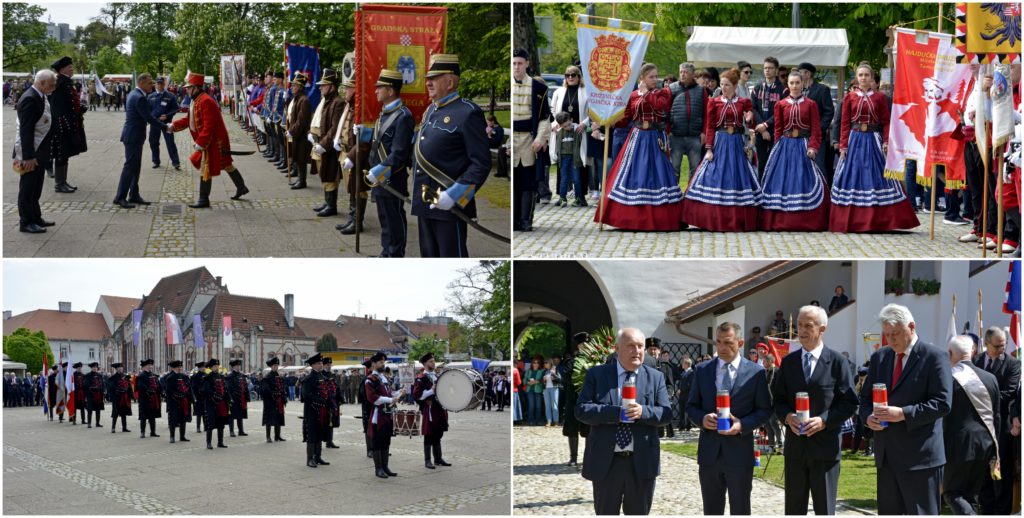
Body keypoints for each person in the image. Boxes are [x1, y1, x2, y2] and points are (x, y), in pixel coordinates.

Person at [858, 304, 952, 514]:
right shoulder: (880, 357)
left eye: (896, 334)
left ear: (912, 327)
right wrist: (868, 418)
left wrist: (902, 414)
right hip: (887, 456)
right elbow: (864, 400)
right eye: (887, 334)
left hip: (921, 458)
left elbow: (943, 403)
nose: (891, 340)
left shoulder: (934, 356)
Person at [771, 306, 859, 515]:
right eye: (800, 325)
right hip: (796, 450)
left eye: (808, 326)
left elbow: (849, 403)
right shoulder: (789, 363)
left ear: (822, 329)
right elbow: (778, 400)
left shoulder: (838, 362)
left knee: (824, 509)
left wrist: (824, 420)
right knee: (793, 509)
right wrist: (787, 417)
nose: (802, 330)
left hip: (825, 450)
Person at [576, 328, 672, 515]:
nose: (637, 351)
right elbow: (581, 410)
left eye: (640, 346)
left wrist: (643, 411)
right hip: (607, 462)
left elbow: (666, 413)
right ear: (617, 348)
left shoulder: (655, 377)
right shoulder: (597, 375)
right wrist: (616, 414)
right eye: (631, 346)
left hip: (642, 462)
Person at [686, 322, 772, 515]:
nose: (722, 348)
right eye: (718, 342)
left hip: (740, 454)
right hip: (710, 454)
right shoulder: (702, 370)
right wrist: (702, 419)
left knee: (740, 509)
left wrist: (742, 425)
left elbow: (765, 410)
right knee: (712, 510)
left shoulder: (755, 372)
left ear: (740, 342)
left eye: (728, 342)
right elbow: (691, 406)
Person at [412, 54, 492, 256]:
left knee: (451, 257)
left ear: (450, 81)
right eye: (428, 78)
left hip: (449, 205)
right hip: (425, 199)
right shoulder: (431, 110)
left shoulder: (468, 112)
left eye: (434, 78)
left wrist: (454, 195)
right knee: (429, 258)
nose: (428, 82)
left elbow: (480, 163)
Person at [595, 63, 685, 231]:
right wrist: (610, 121)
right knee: (631, 174)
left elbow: (660, 107)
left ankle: (662, 217)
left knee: (657, 173)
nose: (655, 79)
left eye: (656, 76)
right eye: (651, 76)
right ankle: (627, 217)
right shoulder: (633, 95)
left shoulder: (663, 93)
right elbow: (626, 118)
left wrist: (645, 93)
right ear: (642, 78)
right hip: (637, 137)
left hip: (655, 137)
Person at [831, 63, 919, 232]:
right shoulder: (849, 97)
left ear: (872, 78)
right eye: (861, 75)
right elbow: (844, 123)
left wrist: (886, 141)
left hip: (873, 140)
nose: (863, 78)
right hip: (855, 140)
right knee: (853, 177)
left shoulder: (879, 98)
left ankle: (879, 220)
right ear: (857, 77)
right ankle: (853, 220)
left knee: (877, 177)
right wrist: (843, 145)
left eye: (866, 75)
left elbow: (886, 122)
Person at [683, 68, 761, 232]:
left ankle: (736, 218)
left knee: (736, 176)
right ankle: (712, 217)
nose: (723, 88)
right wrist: (709, 148)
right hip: (720, 142)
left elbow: (750, 123)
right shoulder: (714, 102)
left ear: (734, 86)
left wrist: (748, 119)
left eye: (727, 85)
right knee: (715, 175)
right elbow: (710, 126)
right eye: (722, 84)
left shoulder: (743, 102)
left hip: (736, 143)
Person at [759, 70, 829, 231]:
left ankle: (805, 220)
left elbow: (816, 130)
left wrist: (813, 147)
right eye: (792, 83)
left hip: (803, 145)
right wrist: (776, 148)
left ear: (803, 84)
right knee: (781, 181)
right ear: (788, 85)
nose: (795, 86)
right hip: (785, 145)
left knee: (804, 179)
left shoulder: (811, 104)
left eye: (798, 83)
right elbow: (778, 129)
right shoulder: (780, 105)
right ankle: (780, 220)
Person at [171, 71, 249, 208]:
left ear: (196, 87)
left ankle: (203, 199)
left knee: (206, 167)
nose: (187, 90)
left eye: (189, 88)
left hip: (214, 140)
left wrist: (200, 143)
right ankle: (241, 187)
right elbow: (189, 120)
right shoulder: (196, 100)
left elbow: (209, 126)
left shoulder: (206, 101)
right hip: (209, 139)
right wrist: (172, 126)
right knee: (226, 164)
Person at [943, 334, 1001, 515]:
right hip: (985, 444)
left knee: (952, 493)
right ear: (973, 352)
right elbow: (996, 416)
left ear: (950, 353)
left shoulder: (948, 378)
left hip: (958, 445)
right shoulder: (990, 378)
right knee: (971, 496)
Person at [365, 69, 415, 257]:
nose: (376, 90)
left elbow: (400, 153)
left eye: (380, 87)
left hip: (392, 178)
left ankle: (395, 254)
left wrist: (380, 168)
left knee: (394, 219)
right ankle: (386, 252)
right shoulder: (385, 113)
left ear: (391, 91)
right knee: (384, 219)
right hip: (379, 177)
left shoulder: (403, 116)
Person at [974, 326, 1021, 514]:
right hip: (979, 427)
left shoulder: (1012, 364)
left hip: (1001, 428)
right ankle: (986, 510)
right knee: (983, 471)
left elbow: (1009, 393)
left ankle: (1001, 512)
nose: (1002, 349)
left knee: (1002, 472)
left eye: (1003, 345)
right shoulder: (976, 361)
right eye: (998, 346)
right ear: (986, 344)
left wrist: (979, 401)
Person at [114, 73, 169, 208]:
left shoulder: (134, 94)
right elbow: (148, 118)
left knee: (135, 166)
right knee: (130, 167)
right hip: (133, 136)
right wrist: (166, 127)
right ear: (142, 83)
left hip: (133, 136)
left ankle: (134, 195)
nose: (152, 85)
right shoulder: (139, 98)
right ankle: (120, 197)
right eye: (150, 83)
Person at [512, 48, 551, 232]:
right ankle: (513, 221)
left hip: (529, 138)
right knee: (515, 180)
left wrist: (540, 139)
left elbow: (545, 118)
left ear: (527, 63)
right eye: (514, 63)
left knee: (528, 181)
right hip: (512, 139)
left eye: (520, 63)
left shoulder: (539, 88)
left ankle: (526, 220)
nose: (517, 67)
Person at [14, 69, 56, 234]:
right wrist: (28, 157)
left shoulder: (40, 95)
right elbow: (26, 130)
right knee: (27, 188)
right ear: (42, 82)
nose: (53, 88)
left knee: (36, 187)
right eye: (51, 85)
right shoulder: (30, 98)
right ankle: (26, 222)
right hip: (29, 153)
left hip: (40, 151)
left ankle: (36, 217)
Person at [334, 78, 372, 235]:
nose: (345, 91)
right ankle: (351, 219)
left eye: (348, 88)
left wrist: (352, 156)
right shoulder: (350, 106)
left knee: (359, 189)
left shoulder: (362, 108)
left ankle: (357, 222)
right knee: (351, 188)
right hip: (347, 152)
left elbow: (365, 140)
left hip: (357, 156)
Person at [548, 64, 589, 202]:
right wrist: (555, 124)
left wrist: (584, 123)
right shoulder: (558, 92)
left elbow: (592, 111)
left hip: (578, 130)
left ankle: (580, 195)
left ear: (579, 77)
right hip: (562, 131)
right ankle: (562, 195)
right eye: (567, 75)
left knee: (579, 162)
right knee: (563, 163)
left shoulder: (586, 91)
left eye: (573, 75)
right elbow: (552, 111)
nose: (570, 77)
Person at [309, 68, 345, 218]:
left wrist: (324, 145)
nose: (320, 87)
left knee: (330, 175)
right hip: (321, 143)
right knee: (323, 172)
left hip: (329, 147)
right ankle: (327, 202)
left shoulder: (337, 103)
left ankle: (332, 205)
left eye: (324, 85)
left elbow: (334, 128)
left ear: (332, 86)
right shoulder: (327, 101)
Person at [48, 56, 86, 193]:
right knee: (61, 154)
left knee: (66, 154)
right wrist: (65, 124)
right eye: (70, 67)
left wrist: (79, 110)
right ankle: (59, 184)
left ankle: (63, 181)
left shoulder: (66, 82)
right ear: (63, 69)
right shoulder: (59, 82)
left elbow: (69, 104)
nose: (72, 69)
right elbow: (56, 107)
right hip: (61, 126)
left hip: (68, 123)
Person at [366, 351, 406, 478]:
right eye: (380, 362)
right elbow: (373, 398)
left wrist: (398, 393)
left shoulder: (383, 378)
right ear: (374, 364)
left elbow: (390, 393)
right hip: (378, 415)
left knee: (386, 441)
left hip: (388, 414)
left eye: (384, 362)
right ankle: (378, 469)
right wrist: (390, 400)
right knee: (378, 442)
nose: (383, 364)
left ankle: (385, 467)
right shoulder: (370, 380)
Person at [412, 352, 451, 469]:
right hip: (430, 409)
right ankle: (428, 460)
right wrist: (431, 391)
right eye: (431, 361)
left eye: (434, 361)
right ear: (425, 363)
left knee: (438, 434)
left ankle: (438, 459)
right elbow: (417, 395)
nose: (433, 363)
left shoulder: (437, 376)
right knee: (429, 435)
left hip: (440, 409)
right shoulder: (421, 378)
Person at [669, 63, 707, 182]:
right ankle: (674, 195)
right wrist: (668, 130)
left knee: (695, 169)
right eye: (681, 72)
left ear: (692, 74)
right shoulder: (671, 88)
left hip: (695, 136)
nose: (682, 74)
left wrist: (704, 132)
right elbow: (665, 111)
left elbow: (706, 114)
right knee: (674, 168)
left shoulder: (701, 91)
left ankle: (691, 196)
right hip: (676, 136)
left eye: (685, 72)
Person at [751, 57, 788, 178]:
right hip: (760, 131)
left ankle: (772, 190)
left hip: (776, 132)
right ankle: (761, 190)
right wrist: (762, 127)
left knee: (774, 162)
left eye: (770, 68)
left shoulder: (783, 89)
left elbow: (782, 112)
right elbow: (753, 108)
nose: (767, 70)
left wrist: (766, 125)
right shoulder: (757, 88)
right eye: (765, 68)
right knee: (761, 163)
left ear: (776, 70)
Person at [796, 63, 834, 180]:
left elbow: (829, 112)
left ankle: (823, 195)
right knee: (801, 166)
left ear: (807, 74)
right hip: (800, 136)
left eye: (800, 72)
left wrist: (818, 129)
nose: (798, 75)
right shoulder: (798, 90)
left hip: (817, 137)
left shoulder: (822, 90)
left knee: (819, 166)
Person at [550, 111, 587, 207]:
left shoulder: (577, 130)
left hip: (575, 158)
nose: (567, 128)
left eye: (569, 125)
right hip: (563, 159)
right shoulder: (559, 132)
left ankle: (578, 198)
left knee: (576, 179)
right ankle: (562, 198)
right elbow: (555, 144)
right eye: (565, 126)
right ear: (560, 125)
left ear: (572, 120)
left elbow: (585, 133)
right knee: (564, 179)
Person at [301, 353, 331, 467]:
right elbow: (306, 395)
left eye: (321, 363)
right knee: (312, 435)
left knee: (319, 433)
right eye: (318, 363)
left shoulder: (322, 377)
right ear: (312, 365)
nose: (321, 365)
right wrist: (320, 401)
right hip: (312, 411)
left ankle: (318, 457)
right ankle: (310, 459)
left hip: (322, 410)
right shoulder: (308, 379)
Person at [285, 72, 311, 189]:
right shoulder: (297, 99)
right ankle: (300, 179)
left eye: (294, 85)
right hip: (297, 134)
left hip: (302, 135)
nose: (292, 88)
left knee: (301, 158)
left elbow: (301, 121)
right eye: (292, 85)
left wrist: (292, 131)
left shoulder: (303, 100)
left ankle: (302, 181)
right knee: (297, 157)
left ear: (300, 87)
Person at [147, 77, 180, 170]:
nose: (159, 85)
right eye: (158, 83)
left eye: (161, 83)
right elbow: (147, 111)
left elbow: (176, 108)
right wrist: (152, 118)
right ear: (155, 84)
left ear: (164, 84)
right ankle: (156, 161)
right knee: (153, 143)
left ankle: (176, 162)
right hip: (155, 124)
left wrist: (167, 115)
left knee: (170, 142)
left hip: (167, 124)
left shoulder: (170, 96)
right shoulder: (150, 97)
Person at [202, 359, 230, 449]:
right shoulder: (208, 377)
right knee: (210, 423)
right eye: (214, 366)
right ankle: (208, 443)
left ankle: (220, 442)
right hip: (211, 403)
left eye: (217, 366)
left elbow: (225, 389)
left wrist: (229, 398)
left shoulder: (221, 377)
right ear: (211, 367)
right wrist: (214, 396)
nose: (216, 368)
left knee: (221, 423)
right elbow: (206, 390)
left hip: (221, 403)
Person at [164, 360, 194, 444]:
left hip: (184, 401)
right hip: (174, 402)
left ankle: (182, 436)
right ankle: (172, 436)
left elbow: (189, 388)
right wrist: (176, 396)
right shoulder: (170, 377)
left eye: (180, 367)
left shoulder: (185, 377)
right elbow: (169, 391)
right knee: (173, 419)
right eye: (178, 367)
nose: (180, 368)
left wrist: (192, 399)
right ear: (173, 368)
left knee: (183, 419)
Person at [261, 357, 287, 443]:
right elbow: (265, 390)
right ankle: (268, 437)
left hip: (279, 401)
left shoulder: (278, 376)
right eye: (275, 365)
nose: (276, 367)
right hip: (270, 402)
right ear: (271, 366)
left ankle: (277, 436)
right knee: (269, 419)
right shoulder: (267, 377)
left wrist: (284, 396)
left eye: (277, 365)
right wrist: (273, 394)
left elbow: (282, 387)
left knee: (279, 417)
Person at [135, 359, 162, 438]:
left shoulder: (154, 375)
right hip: (144, 399)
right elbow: (140, 386)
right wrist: (148, 389)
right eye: (148, 365)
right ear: (144, 367)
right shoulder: (141, 376)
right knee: (143, 416)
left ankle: (153, 432)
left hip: (154, 398)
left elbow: (158, 384)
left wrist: (160, 390)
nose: (150, 367)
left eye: (151, 365)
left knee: (152, 415)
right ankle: (142, 432)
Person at [225, 359, 249, 437]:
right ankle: (231, 431)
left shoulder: (241, 375)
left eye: (239, 365)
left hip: (241, 398)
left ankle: (241, 431)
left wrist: (247, 396)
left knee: (240, 415)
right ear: (233, 366)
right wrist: (230, 398)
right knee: (231, 416)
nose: (238, 367)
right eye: (237, 365)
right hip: (234, 398)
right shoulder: (230, 376)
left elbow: (245, 386)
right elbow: (228, 389)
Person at [321, 356, 342, 449]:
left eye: (330, 364)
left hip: (333, 401)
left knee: (332, 422)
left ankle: (330, 441)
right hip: (326, 402)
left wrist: (340, 398)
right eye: (327, 365)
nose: (329, 366)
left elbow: (337, 387)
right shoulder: (321, 375)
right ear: (323, 365)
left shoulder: (332, 375)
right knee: (325, 422)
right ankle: (325, 440)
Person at [106, 363, 133, 432]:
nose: (120, 369)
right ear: (116, 369)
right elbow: (110, 387)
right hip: (117, 398)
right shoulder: (113, 377)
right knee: (115, 412)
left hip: (124, 397)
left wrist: (131, 395)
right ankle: (113, 428)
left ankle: (124, 428)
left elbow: (129, 386)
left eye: (121, 367)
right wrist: (117, 390)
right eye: (119, 368)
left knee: (124, 412)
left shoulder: (126, 376)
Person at [83, 362, 104, 428]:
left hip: (98, 395)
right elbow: (86, 385)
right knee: (90, 409)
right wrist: (91, 389)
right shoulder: (88, 375)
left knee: (98, 409)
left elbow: (102, 384)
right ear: (91, 368)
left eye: (96, 367)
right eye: (93, 367)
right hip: (91, 395)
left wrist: (102, 390)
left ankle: (97, 423)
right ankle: (89, 423)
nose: (95, 368)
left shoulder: (99, 375)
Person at [541, 358, 562, 427]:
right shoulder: (544, 371)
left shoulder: (555, 370)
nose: (545, 364)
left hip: (554, 388)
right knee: (547, 406)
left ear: (550, 363)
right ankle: (549, 421)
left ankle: (556, 421)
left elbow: (560, 379)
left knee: (554, 405)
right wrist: (543, 380)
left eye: (546, 363)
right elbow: (541, 381)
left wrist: (554, 375)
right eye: (544, 363)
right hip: (546, 389)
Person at [190, 362, 206, 434]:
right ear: (199, 368)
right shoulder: (195, 376)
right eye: (202, 367)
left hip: (205, 397)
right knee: (199, 414)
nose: (204, 368)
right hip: (198, 398)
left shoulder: (206, 375)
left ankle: (206, 426)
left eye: (204, 367)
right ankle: (198, 427)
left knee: (205, 413)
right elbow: (193, 387)